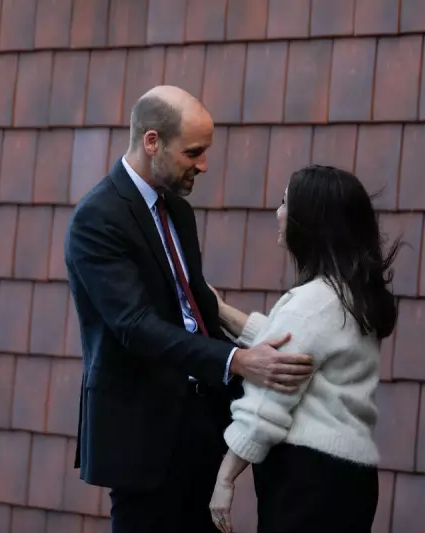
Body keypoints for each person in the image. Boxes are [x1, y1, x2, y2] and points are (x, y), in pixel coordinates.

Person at [63, 85, 314, 533]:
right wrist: (239, 361)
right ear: (152, 141)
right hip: (142, 436)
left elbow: (198, 305)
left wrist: (259, 341)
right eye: (194, 152)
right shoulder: (97, 218)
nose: (203, 164)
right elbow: (136, 326)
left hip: (202, 422)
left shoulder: (178, 210)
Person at [206, 165, 400, 533]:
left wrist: (225, 479)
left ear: (309, 220)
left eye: (284, 203)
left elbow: (267, 402)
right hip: (352, 477)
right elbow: (295, 344)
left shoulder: (311, 304)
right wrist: (223, 314)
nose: (277, 213)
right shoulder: (350, 294)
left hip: (308, 481)